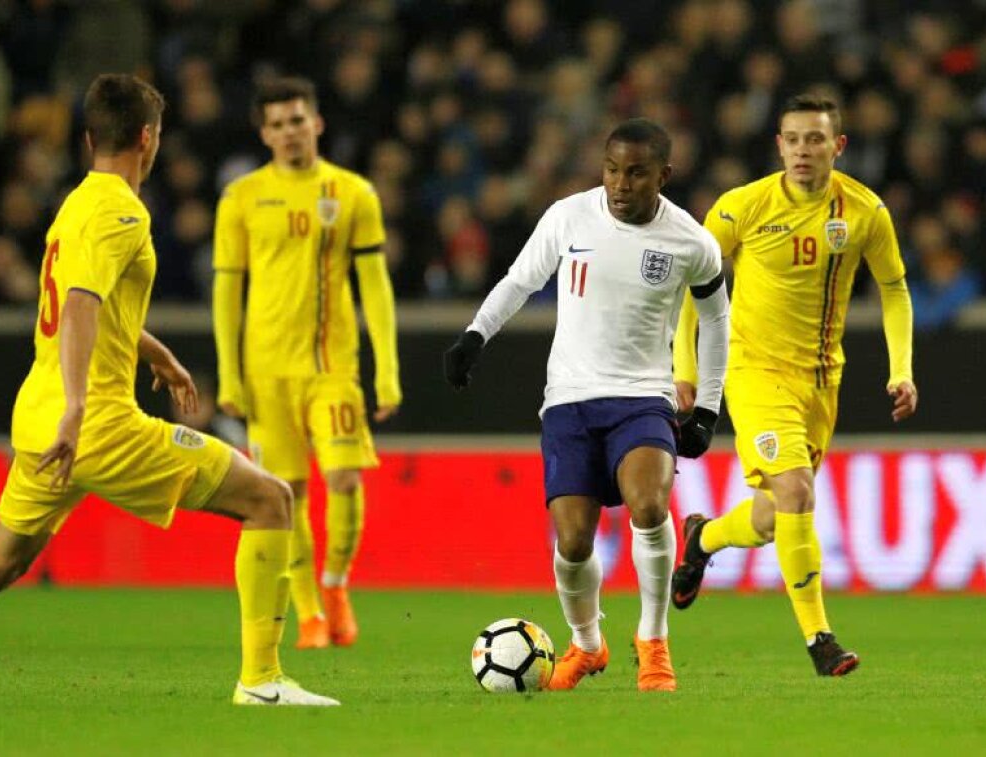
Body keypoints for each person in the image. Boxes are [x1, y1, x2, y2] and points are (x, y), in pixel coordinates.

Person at [0, 74, 337, 707]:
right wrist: (80, 408)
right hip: (96, 424)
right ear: (148, 139)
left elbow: (90, 300)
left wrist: (152, 351)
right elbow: (78, 304)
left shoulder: (76, 204)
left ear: (87, 139)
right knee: (269, 499)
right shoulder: (123, 211)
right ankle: (263, 681)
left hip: (40, 417)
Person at [444, 119, 730, 692]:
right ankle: (588, 644)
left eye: (636, 173)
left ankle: (653, 642)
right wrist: (475, 335)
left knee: (649, 506)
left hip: (644, 396)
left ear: (663, 176)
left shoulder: (691, 241)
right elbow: (519, 281)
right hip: (570, 400)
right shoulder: (567, 216)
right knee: (573, 541)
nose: (620, 184)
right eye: (612, 170)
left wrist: (708, 408)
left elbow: (717, 320)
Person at [670, 94, 917, 676]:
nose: (803, 150)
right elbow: (694, 285)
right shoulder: (742, 207)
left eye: (815, 139)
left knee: (769, 516)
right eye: (793, 139)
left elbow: (895, 289)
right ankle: (819, 638)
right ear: (778, 145)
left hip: (821, 379)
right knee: (798, 492)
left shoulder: (864, 212)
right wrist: (684, 364)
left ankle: (703, 539)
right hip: (754, 370)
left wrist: (901, 367)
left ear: (838, 145)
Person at [213, 77, 400, 650]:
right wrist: (228, 375)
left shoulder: (353, 194)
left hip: (331, 368)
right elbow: (227, 292)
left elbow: (375, 286)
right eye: (278, 124)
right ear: (264, 133)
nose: (290, 131)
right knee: (284, 493)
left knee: (343, 478)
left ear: (316, 122)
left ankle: (336, 584)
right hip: (266, 372)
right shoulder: (241, 198)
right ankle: (310, 613)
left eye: (298, 119)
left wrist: (386, 370)